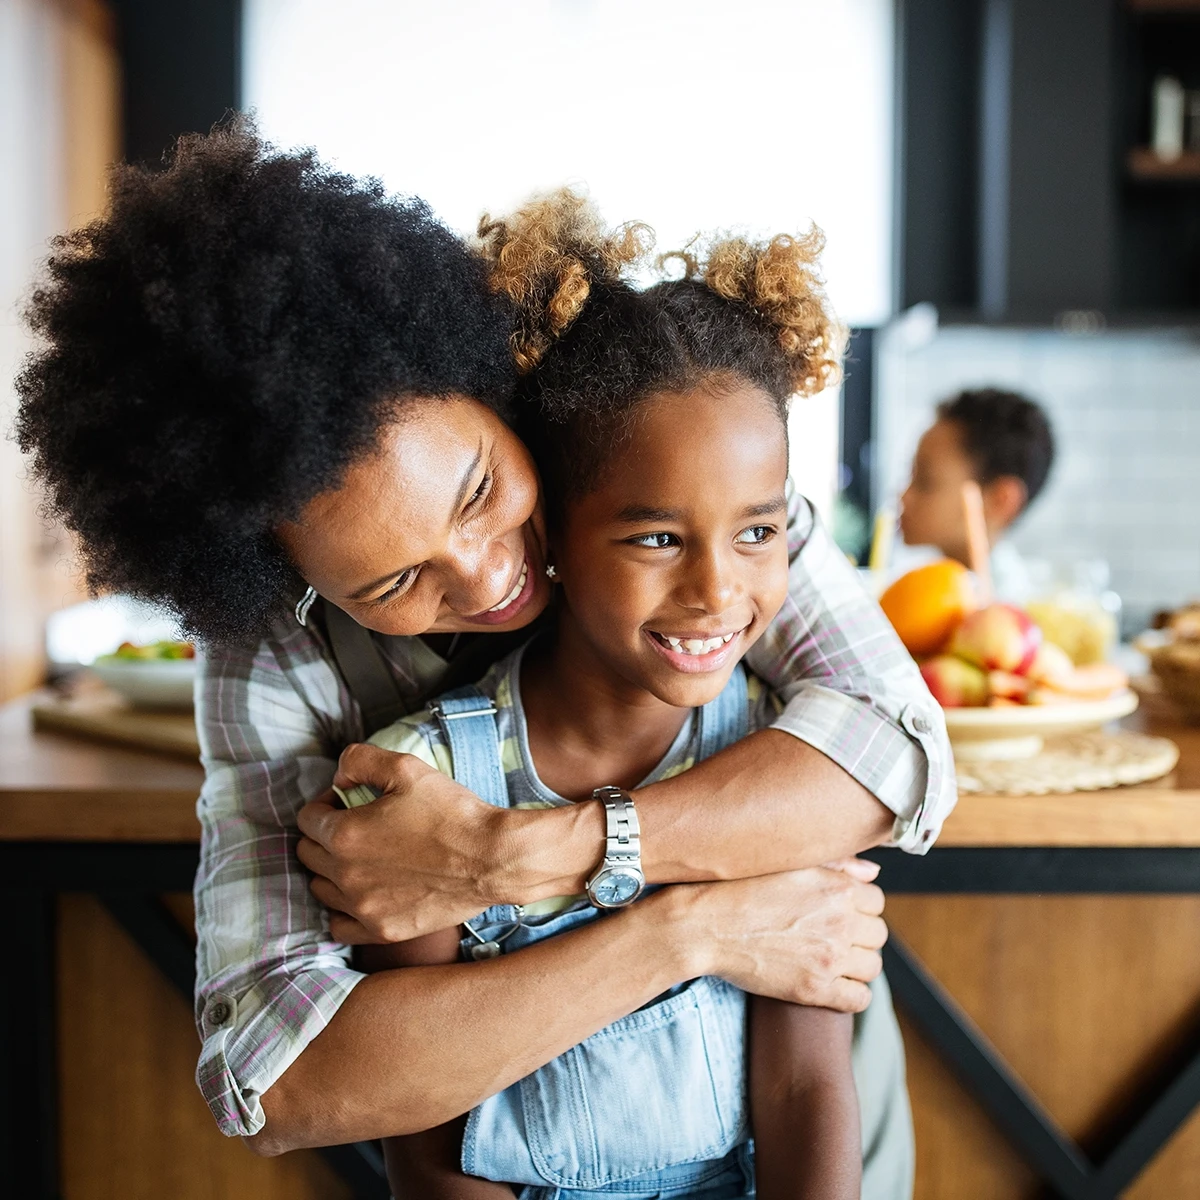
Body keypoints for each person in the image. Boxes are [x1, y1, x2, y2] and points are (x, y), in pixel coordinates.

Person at [13, 123, 952, 1185]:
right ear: (290, 580)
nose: (483, 574)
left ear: (492, 386)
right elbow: (277, 1078)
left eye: (479, 492)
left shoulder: (673, 488)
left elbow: (900, 752)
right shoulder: (276, 655)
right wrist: (684, 932)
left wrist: (514, 859)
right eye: (392, 584)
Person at [348, 192, 889, 1199]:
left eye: (759, 533)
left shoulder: (780, 768)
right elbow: (426, 1137)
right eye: (655, 539)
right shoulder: (428, 788)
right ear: (550, 533)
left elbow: (805, 1087)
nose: (720, 592)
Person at [898, 388, 1056, 600]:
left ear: (1000, 500)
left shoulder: (1006, 614)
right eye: (911, 476)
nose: (903, 497)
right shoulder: (917, 591)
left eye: (926, 482)